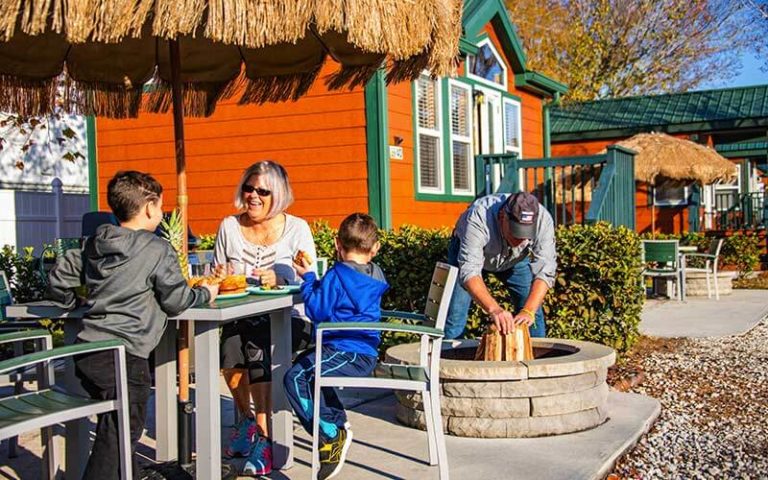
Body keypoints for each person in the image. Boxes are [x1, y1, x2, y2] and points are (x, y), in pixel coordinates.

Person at [45, 171, 218, 480]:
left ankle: (126, 473)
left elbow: (59, 277)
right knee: (122, 430)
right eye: (162, 206)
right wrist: (206, 292)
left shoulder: (95, 243)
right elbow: (176, 300)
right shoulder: (156, 249)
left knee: (115, 425)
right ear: (150, 207)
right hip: (125, 356)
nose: (163, 213)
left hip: (88, 351)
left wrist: (73, 301)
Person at [214, 160, 316, 476]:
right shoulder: (229, 227)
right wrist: (220, 277)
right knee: (230, 346)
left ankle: (264, 437)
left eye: (263, 191)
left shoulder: (297, 229)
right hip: (240, 316)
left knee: (255, 340)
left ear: (279, 195)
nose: (254, 196)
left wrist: (283, 279)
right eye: (249, 188)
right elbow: (219, 277)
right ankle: (246, 419)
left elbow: (311, 278)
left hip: (290, 322)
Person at [285, 213, 389, 480]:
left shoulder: (337, 274)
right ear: (375, 248)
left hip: (345, 350)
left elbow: (317, 309)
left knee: (295, 378)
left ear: (336, 245)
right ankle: (335, 420)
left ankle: (330, 435)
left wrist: (308, 278)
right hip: (362, 351)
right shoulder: (375, 274)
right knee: (305, 372)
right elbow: (339, 302)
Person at [445, 191, 556, 339]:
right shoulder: (478, 217)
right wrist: (495, 310)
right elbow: (470, 271)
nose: (521, 240)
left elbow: (545, 271)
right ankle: (447, 360)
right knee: (455, 317)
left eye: (526, 233)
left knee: (533, 312)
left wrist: (528, 311)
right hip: (472, 257)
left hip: (516, 259)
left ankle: (536, 360)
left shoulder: (543, 219)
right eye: (516, 232)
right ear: (502, 216)